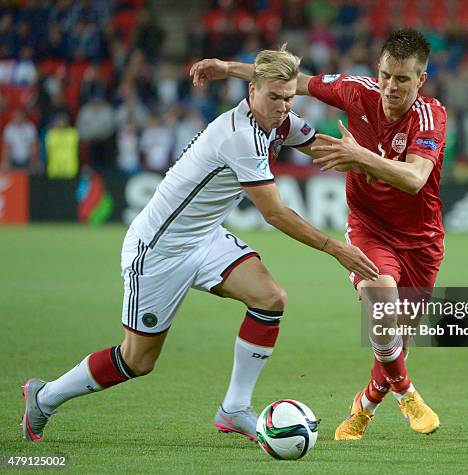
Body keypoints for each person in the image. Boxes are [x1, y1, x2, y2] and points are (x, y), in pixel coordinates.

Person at [22, 47, 377, 443]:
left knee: (270, 298)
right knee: (137, 360)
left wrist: (361, 158)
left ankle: (235, 408)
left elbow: (320, 149)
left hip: (203, 237)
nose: (282, 106)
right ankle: (45, 396)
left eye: (289, 97)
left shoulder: (280, 121)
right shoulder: (240, 137)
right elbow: (275, 214)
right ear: (252, 90)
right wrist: (336, 248)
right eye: (273, 97)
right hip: (159, 249)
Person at [190, 28, 446, 440]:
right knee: (380, 303)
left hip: (422, 241)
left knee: (394, 338)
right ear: (376, 70)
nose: (390, 87)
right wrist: (228, 69)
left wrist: (358, 156)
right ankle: (406, 391)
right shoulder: (355, 91)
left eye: (402, 79)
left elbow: (415, 178)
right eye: (384, 75)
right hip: (369, 228)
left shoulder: (431, 116)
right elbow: (295, 81)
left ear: (421, 80)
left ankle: (363, 407)